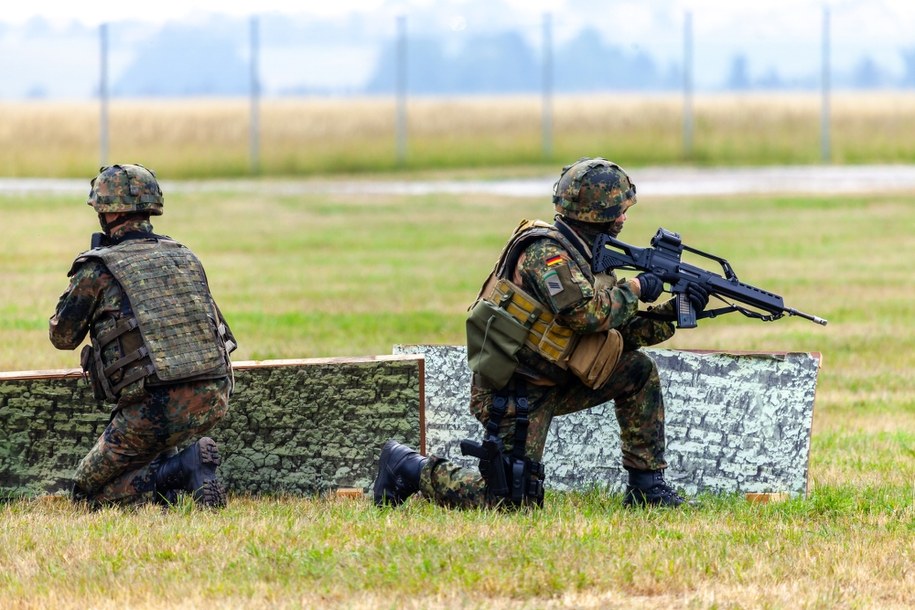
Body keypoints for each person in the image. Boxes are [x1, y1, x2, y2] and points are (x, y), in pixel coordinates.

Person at [373, 157, 709, 510]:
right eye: (618, 209)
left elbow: (618, 333)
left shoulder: (586, 258)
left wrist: (672, 313)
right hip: (515, 393)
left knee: (637, 370)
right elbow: (587, 315)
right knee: (507, 502)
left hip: (558, 378)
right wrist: (636, 289)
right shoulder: (545, 255)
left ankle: (647, 489)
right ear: (595, 212)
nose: (624, 217)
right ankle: (408, 467)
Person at [49, 163, 237, 508]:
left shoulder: (98, 267)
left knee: (87, 492)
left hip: (155, 406)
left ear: (106, 212)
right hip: (214, 396)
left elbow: (62, 336)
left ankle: (182, 467)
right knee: (149, 445)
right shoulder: (183, 255)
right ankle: (180, 470)